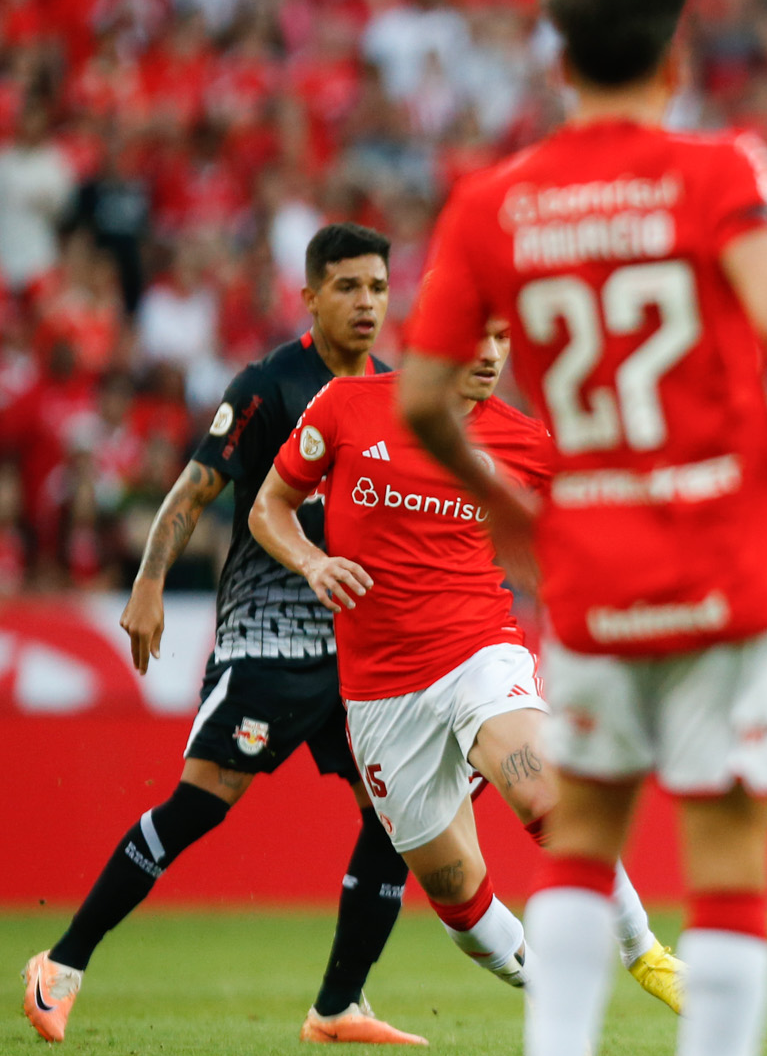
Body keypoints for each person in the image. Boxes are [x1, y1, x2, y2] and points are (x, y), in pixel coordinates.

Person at [397, 0, 767, 1056]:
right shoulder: (720, 167)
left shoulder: (494, 205)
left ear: (557, 60)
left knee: (580, 837)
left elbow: (426, 399)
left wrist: (515, 520)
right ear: (676, 55)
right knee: (725, 862)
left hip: (595, 575)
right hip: (726, 562)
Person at [23, 224, 425, 1047]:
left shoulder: (393, 390)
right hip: (268, 636)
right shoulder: (267, 385)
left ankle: (339, 1005)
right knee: (205, 802)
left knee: (397, 813)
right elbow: (196, 485)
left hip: (355, 649)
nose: (366, 303)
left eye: (378, 288)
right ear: (310, 295)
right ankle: (59, 965)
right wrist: (148, 580)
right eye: (347, 287)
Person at [249, 320, 681, 1008]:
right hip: (381, 691)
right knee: (455, 893)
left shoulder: (523, 440)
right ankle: (552, 999)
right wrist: (312, 560)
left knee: (544, 792)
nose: (489, 354)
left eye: (504, 338)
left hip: (479, 648)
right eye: (474, 337)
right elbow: (268, 505)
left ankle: (643, 951)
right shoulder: (346, 406)